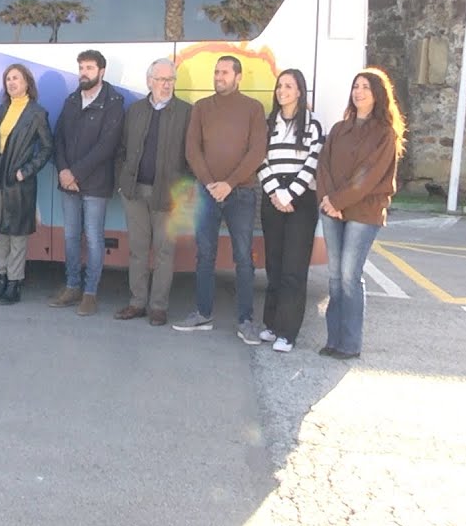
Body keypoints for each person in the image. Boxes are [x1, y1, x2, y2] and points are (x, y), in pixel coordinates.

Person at [173, 55, 267, 342]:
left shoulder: (253, 108)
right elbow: (192, 149)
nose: (218, 77)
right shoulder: (202, 108)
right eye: (216, 72)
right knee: (204, 254)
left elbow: (257, 151)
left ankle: (245, 320)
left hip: (242, 192)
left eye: (224, 72)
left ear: (238, 77)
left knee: (243, 258)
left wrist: (229, 183)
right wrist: (211, 182)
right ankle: (203, 314)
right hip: (207, 191)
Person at [316, 68, 405, 360]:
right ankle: (333, 340)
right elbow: (324, 166)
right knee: (333, 277)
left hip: (363, 212)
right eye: (355, 86)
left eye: (365, 87)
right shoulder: (340, 129)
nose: (359, 92)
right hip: (332, 210)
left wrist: (338, 201)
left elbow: (369, 176)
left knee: (349, 276)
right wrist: (328, 200)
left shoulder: (384, 134)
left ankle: (350, 344)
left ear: (377, 94)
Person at [112, 58, 193, 327]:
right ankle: (137, 303)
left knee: (163, 252)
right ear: (149, 82)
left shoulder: (186, 112)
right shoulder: (134, 110)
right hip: (134, 192)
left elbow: (192, 156)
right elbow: (121, 149)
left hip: (167, 195)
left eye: (170, 80)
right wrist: (122, 183)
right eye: (161, 79)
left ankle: (158, 306)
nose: (166, 85)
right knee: (137, 250)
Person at [50, 49, 125, 315]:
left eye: (90, 68)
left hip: (95, 182)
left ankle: (90, 293)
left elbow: (108, 145)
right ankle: (72, 287)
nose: (84, 72)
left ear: (102, 72)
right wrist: (62, 170)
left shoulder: (114, 101)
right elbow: (57, 138)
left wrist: (75, 173)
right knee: (71, 236)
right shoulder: (72, 100)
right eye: (81, 67)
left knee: (93, 238)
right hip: (68, 180)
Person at [257, 69, 324, 353]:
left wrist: (289, 194)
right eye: (279, 86)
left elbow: (312, 163)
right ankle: (272, 325)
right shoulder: (266, 124)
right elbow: (258, 159)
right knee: (274, 264)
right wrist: (275, 192)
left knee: (294, 269)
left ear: (300, 92)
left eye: (288, 86)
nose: (281, 91)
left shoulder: (313, 125)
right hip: (273, 198)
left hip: (301, 200)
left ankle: (288, 332)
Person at [0, 64, 53, 304]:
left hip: (18, 184)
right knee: (0, 233)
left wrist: (26, 171)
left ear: (27, 83)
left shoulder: (37, 113)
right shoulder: (2, 109)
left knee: (17, 235)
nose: (11, 83)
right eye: (8, 79)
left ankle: (15, 283)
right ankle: (0, 278)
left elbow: (47, 148)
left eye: (16, 78)